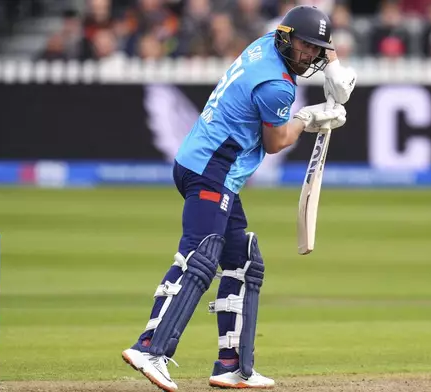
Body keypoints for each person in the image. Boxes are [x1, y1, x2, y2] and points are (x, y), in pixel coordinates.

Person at [121, 5, 355, 391]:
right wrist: (309, 119)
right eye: (304, 47)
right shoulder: (277, 85)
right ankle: (150, 348)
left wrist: (333, 66)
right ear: (286, 38)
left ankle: (233, 365)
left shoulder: (266, 44)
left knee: (244, 261)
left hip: (202, 164)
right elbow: (276, 141)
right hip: (211, 170)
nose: (308, 56)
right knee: (201, 255)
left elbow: (315, 40)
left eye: (315, 50)